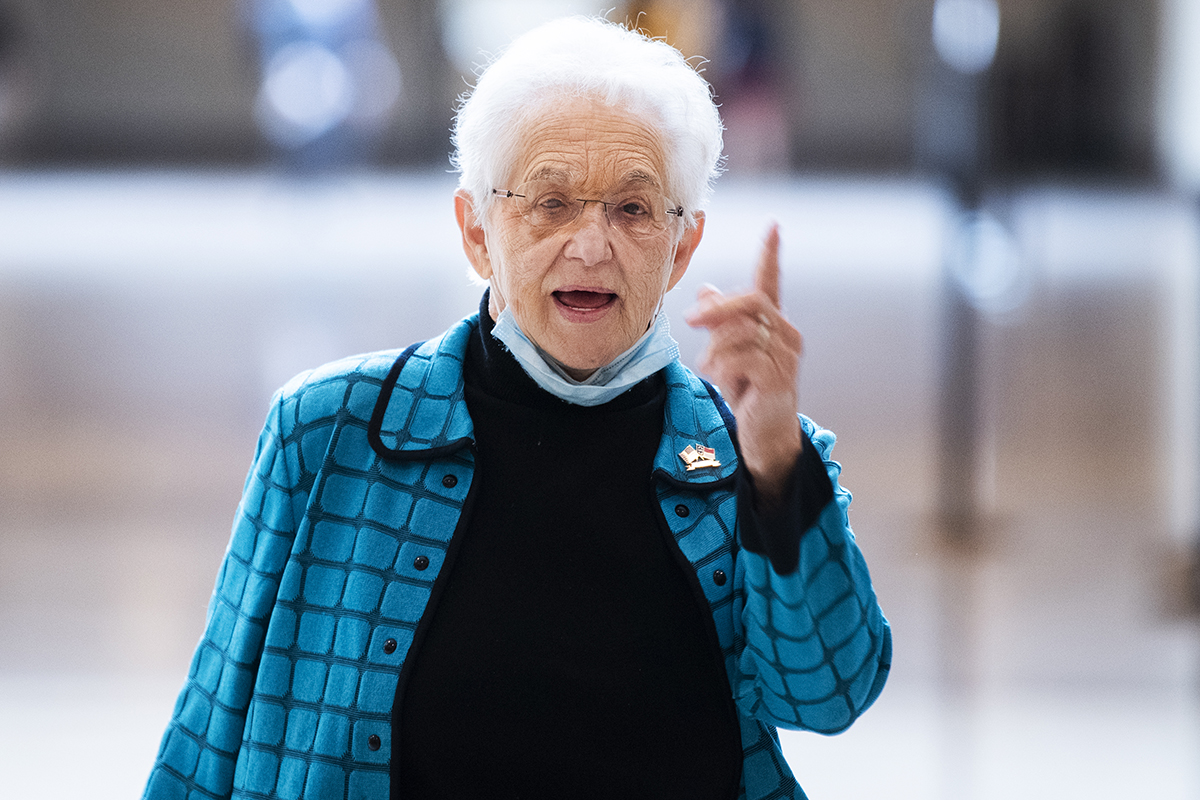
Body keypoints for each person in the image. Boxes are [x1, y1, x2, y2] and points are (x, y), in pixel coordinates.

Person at [142, 15, 890, 800]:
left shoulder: (751, 459)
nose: (592, 246)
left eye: (633, 210)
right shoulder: (329, 432)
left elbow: (830, 696)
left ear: (683, 246)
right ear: (475, 231)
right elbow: (211, 728)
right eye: (552, 202)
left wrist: (773, 466)